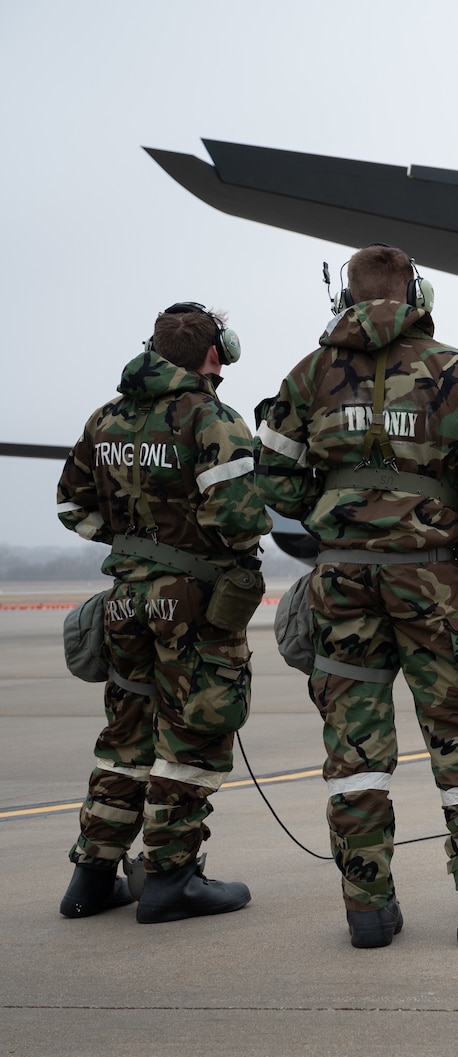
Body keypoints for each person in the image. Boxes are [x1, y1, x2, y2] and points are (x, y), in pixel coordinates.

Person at [255, 244, 458, 948]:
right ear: (417, 292)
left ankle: (368, 910)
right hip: (428, 578)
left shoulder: (307, 376)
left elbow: (271, 472)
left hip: (341, 579)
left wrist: (333, 510)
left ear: (346, 299)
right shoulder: (453, 369)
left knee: (353, 743)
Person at [55, 303, 268, 922]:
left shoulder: (106, 420)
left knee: (125, 735)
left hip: (124, 600)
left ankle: (91, 878)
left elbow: (72, 508)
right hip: (192, 603)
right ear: (215, 353)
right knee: (193, 736)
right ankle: (172, 878)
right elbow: (242, 521)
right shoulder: (212, 419)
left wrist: (133, 551)